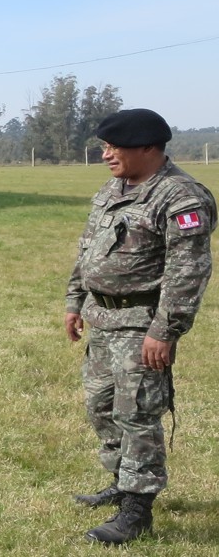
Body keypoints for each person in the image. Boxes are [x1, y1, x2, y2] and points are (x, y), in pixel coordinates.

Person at [64, 108, 216, 545]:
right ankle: (119, 481)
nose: (106, 155)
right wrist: (75, 301)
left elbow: (188, 272)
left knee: (137, 414)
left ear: (148, 147)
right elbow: (89, 250)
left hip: (141, 326)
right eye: (105, 147)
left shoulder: (180, 197)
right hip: (102, 319)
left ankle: (137, 510)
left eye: (115, 147)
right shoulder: (114, 188)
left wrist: (164, 331)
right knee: (102, 407)